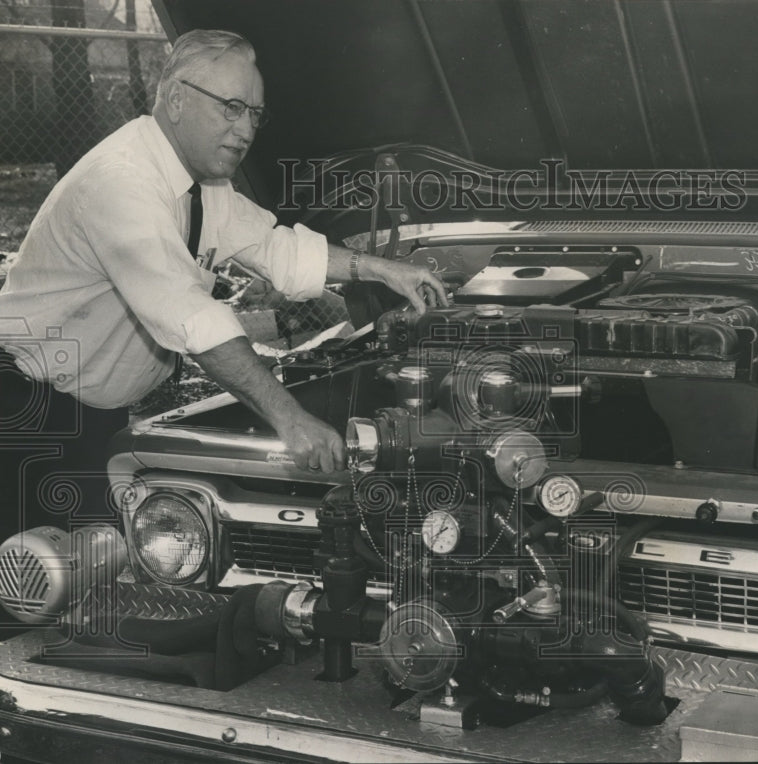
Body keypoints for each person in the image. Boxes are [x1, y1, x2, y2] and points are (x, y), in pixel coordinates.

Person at [0, 29, 447, 544]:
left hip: (90, 412)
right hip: (26, 415)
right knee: (39, 582)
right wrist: (290, 418)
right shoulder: (121, 183)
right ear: (175, 99)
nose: (246, 129)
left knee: (98, 571)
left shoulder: (203, 185)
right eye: (231, 108)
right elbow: (191, 314)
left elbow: (277, 247)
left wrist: (386, 270)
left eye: (255, 114)